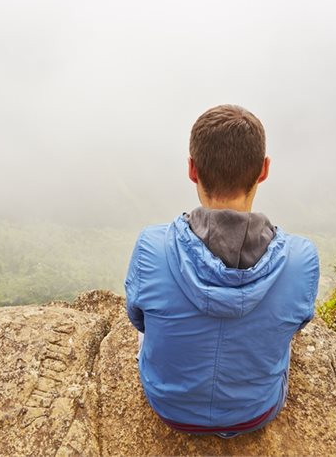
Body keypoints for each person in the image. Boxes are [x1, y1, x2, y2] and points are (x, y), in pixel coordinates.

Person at [125, 104, 319, 438]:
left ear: (192, 169)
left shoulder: (151, 247)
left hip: (170, 409)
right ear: (263, 170)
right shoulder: (301, 258)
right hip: (256, 412)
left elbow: (138, 319)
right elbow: (296, 327)